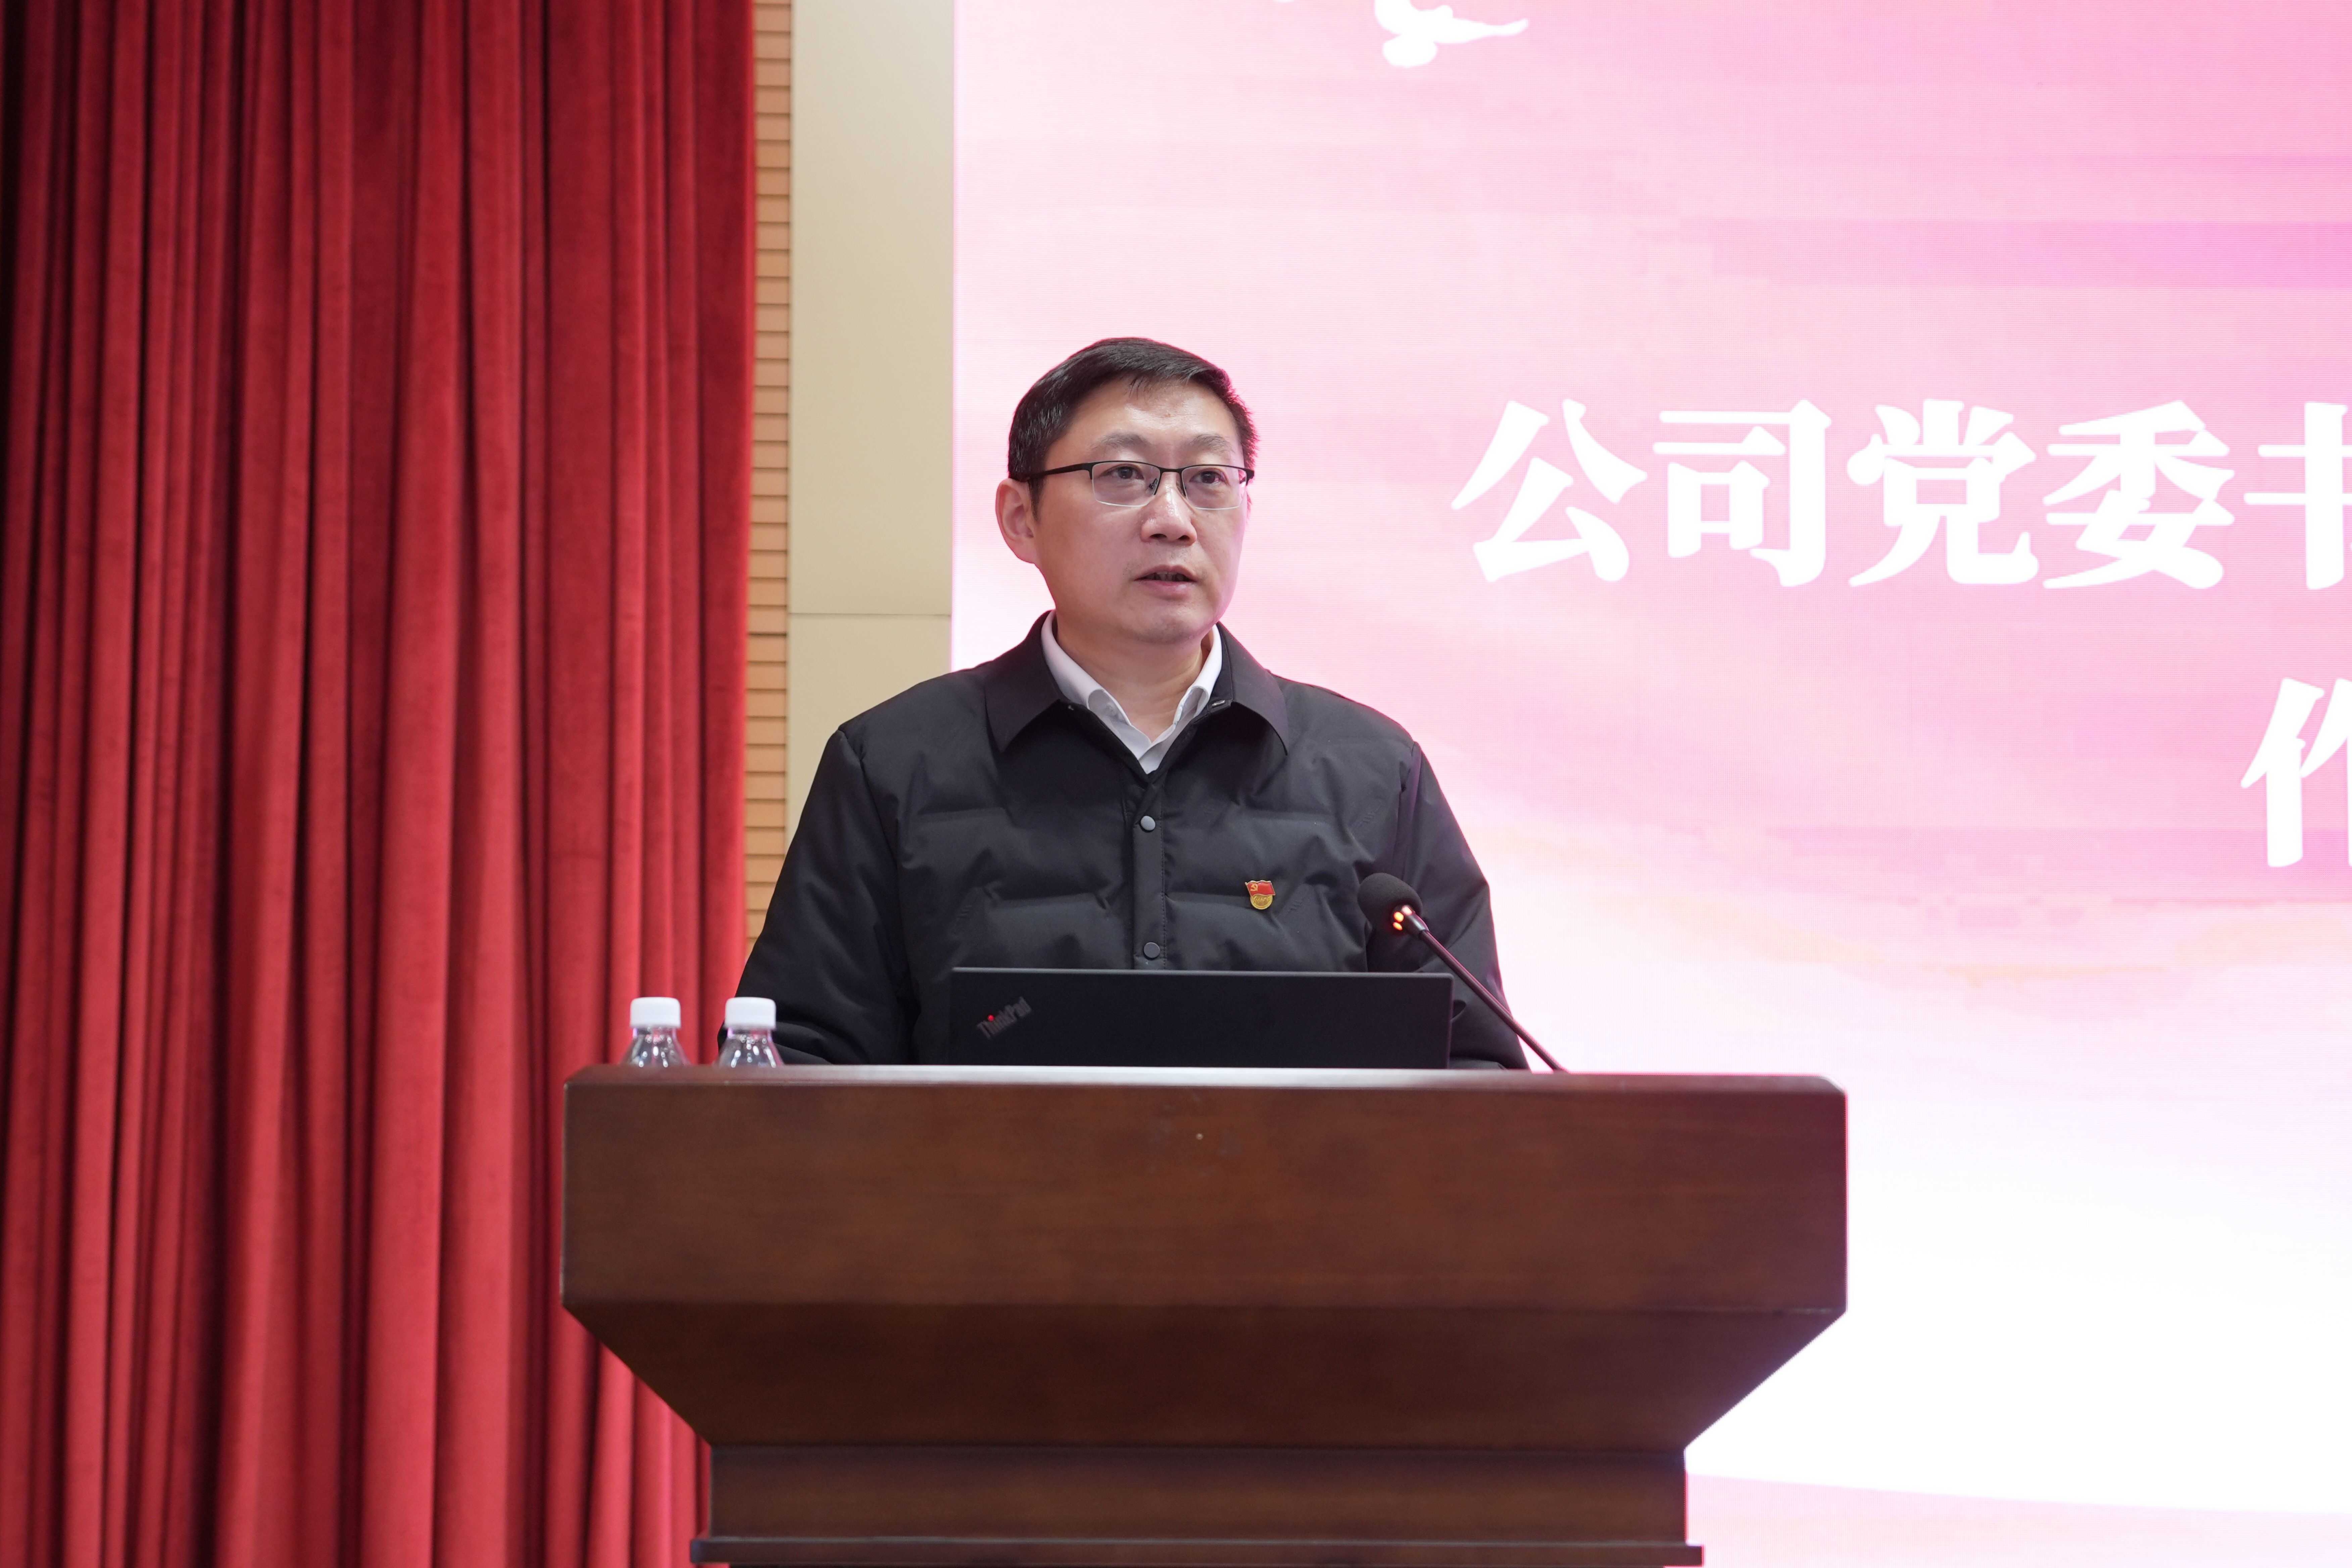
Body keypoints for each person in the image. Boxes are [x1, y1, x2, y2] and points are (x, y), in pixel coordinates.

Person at [737, 337, 1524, 1068]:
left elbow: (1473, 1068)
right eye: (1122, 475)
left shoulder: (1372, 771)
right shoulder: (893, 764)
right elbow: (804, 1060)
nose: (1172, 521)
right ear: (1020, 518)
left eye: (1209, 480)